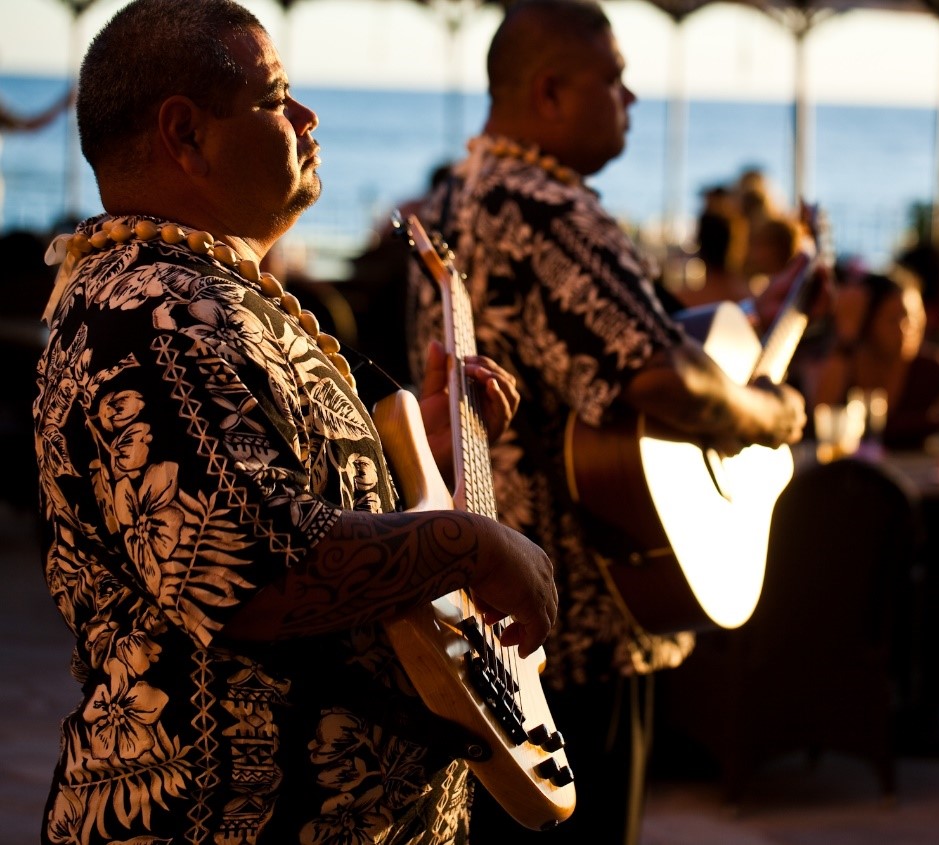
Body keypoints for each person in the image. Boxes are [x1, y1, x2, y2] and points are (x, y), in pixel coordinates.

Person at [33, 2, 558, 842]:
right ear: (187, 134)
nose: (309, 116)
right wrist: (472, 543)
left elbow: (284, 496)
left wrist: (418, 448)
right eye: (277, 98)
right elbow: (252, 570)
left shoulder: (194, 295)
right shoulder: (150, 316)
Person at [405, 1, 807, 842]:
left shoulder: (447, 203)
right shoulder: (546, 209)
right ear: (550, 92)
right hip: (577, 614)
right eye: (613, 81)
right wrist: (771, 413)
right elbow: (661, 374)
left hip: (485, 607)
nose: (632, 98)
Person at [813, 269, 939, 452]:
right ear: (868, 322)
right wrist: (845, 339)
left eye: (913, 317)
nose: (905, 327)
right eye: (893, 319)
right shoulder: (845, 363)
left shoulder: (934, 370)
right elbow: (821, 417)